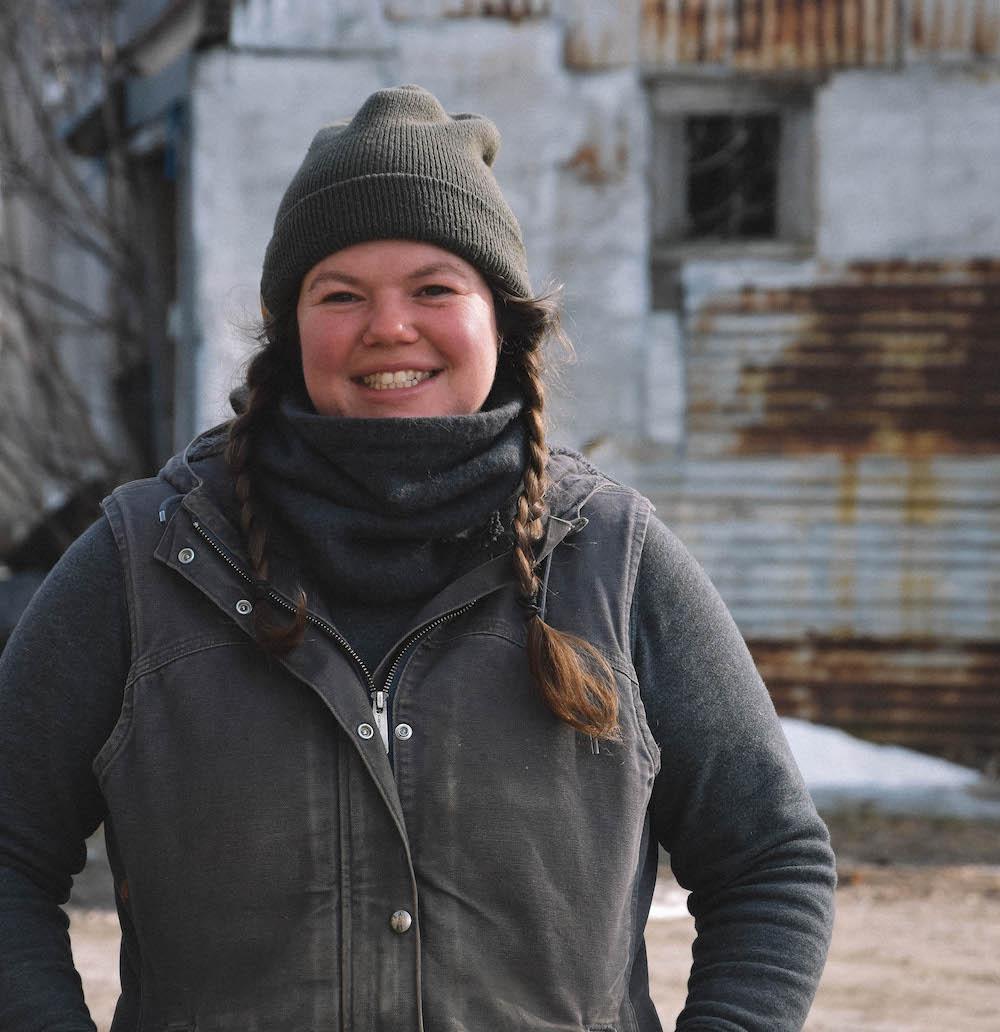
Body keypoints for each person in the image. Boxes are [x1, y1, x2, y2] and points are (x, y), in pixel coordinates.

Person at [0, 85, 836, 1031]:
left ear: (503, 320)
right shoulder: (144, 561)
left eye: (434, 289)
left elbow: (772, 863)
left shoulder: (614, 561)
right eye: (341, 294)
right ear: (290, 331)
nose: (388, 328)